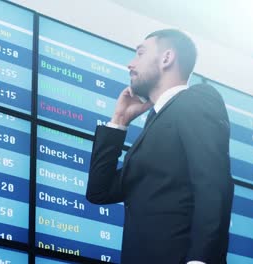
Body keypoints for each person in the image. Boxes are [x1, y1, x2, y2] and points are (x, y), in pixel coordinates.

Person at [86, 29, 234, 264]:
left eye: (140, 54)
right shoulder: (153, 127)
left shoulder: (196, 98)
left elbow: (213, 183)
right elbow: (98, 192)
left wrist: (201, 260)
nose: (130, 64)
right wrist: (119, 121)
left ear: (166, 58)